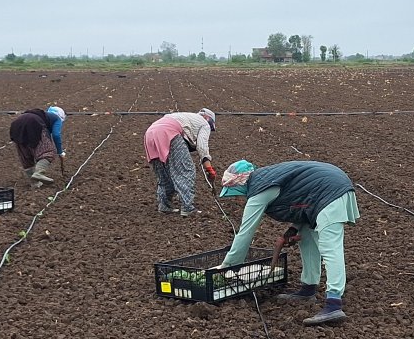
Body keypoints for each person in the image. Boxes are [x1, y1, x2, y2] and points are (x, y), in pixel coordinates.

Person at [217, 160, 360, 325]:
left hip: (331, 191)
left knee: (330, 247)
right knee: (306, 236)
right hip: (324, 190)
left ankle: (334, 305)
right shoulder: (266, 179)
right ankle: (308, 288)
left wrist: (227, 268)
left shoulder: (260, 189)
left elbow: (245, 233)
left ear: (239, 182)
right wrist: (292, 230)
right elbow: (301, 199)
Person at [143, 108, 218, 217]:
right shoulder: (204, 124)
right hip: (169, 132)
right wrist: (208, 167)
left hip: (150, 134)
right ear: (208, 119)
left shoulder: (185, 117)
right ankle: (188, 208)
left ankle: (165, 206)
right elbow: (202, 146)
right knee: (186, 170)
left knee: (164, 173)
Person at [10, 106, 66, 187]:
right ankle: (39, 173)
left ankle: (35, 183)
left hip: (16, 125)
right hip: (34, 123)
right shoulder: (56, 118)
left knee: (25, 154)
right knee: (47, 151)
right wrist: (60, 152)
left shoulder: (43, 115)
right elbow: (56, 135)